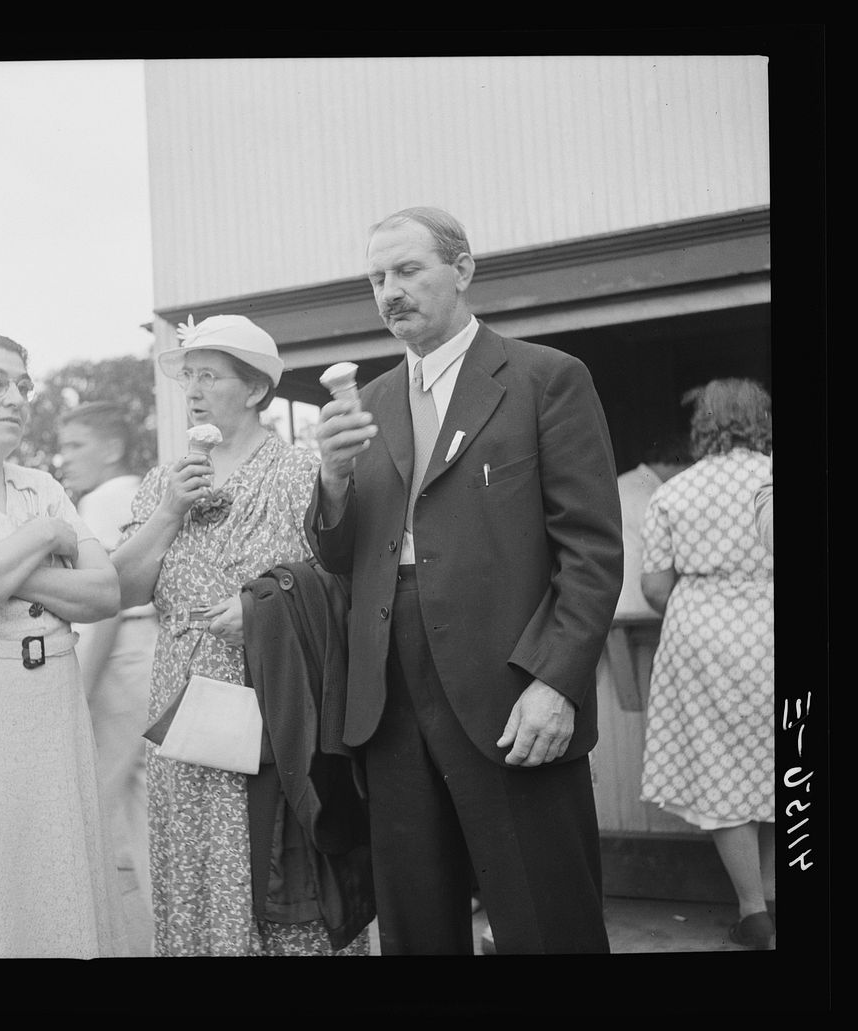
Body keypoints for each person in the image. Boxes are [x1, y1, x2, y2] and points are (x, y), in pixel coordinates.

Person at [307, 206, 623, 954]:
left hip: (513, 687)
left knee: (549, 924)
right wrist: (331, 476)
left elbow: (592, 550)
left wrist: (557, 683)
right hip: (388, 699)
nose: (389, 291)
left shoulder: (546, 378)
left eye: (408, 270)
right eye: (377, 277)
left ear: (464, 268)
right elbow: (338, 553)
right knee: (417, 930)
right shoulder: (370, 405)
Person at [110, 314, 369, 956]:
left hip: (275, 712)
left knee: (280, 873)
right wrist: (169, 511)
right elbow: (123, 589)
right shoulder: (160, 482)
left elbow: (346, 581)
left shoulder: (301, 472)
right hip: (184, 713)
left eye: (209, 376)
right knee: (194, 871)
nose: (192, 390)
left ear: (254, 390)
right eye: (187, 377)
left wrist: (263, 609)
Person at [0, 332, 127, 959]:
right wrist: (44, 537)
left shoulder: (40, 483)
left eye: (23, 384)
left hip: (52, 714)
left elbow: (103, 594)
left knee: (61, 878)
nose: (16, 397)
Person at [639, 378, 775, 949]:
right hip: (772, 627)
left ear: (703, 427)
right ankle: (772, 901)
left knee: (721, 768)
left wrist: (704, 600)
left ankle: (754, 913)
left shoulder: (673, 493)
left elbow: (654, 586)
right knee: (775, 761)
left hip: (701, 635)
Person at [58, 401, 158, 956]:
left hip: (120, 661)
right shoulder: (141, 490)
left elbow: (107, 604)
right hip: (150, 655)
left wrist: (81, 687)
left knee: (106, 805)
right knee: (138, 804)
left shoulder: (104, 500)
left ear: (112, 448)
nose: (64, 459)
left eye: (75, 446)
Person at [615, 433, 693, 621]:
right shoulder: (653, 495)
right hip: (640, 612)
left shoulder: (623, 482)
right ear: (680, 464)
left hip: (615, 607)